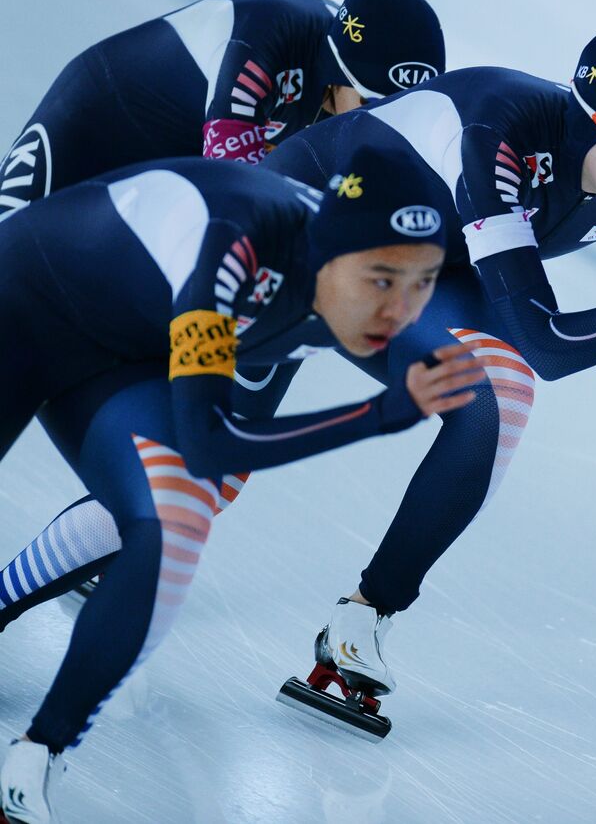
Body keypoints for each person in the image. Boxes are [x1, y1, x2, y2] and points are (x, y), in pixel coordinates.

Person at [1, 31, 596, 736]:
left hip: (429, 265)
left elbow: (513, 322)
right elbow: (550, 343)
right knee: (201, 479)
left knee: (492, 396)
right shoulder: (493, 139)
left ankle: (363, 619)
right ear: (587, 122)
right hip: (300, 249)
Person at [0, 147, 483, 824]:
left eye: (425, 281)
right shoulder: (233, 242)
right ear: (326, 253)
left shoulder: (358, 277)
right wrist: (372, 415)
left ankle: (35, 756)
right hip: (21, 301)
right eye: (381, 280)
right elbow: (207, 441)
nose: (401, 310)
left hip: (121, 359)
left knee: (175, 516)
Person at [0, 0, 444, 220]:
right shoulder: (272, 31)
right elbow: (234, 182)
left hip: (175, 154)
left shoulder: (346, 95)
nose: (380, 124)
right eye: (373, 105)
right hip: (95, 116)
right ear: (340, 76)